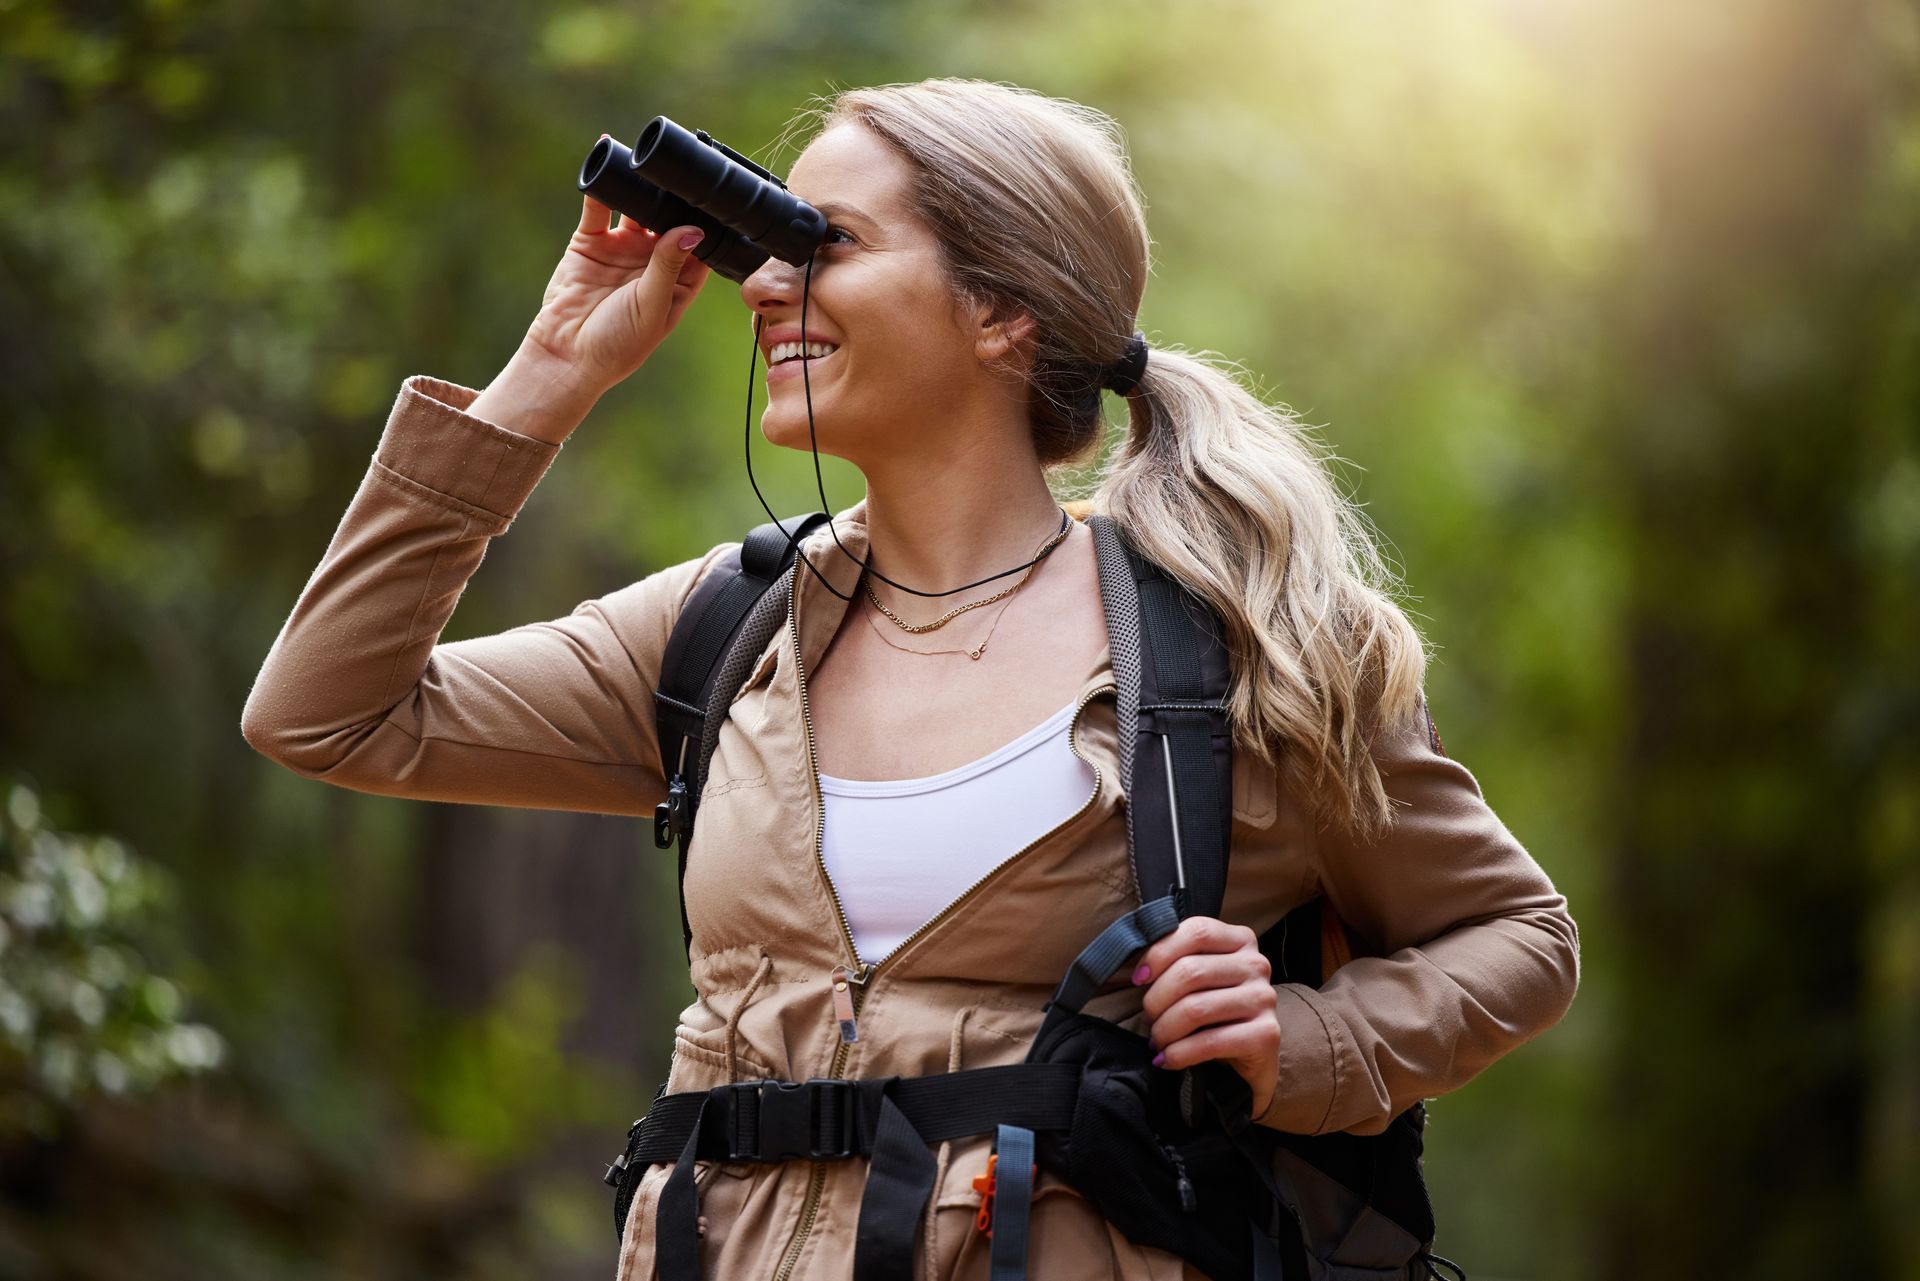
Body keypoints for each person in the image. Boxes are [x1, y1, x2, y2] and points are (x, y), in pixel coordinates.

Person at [241, 77, 1580, 1281]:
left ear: (1003, 313)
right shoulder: (725, 628)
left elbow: (1519, 939)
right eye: (765, 244)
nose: (764, 285)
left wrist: (1300, 1044)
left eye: (826, 246)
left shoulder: (1245, 648)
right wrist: (544, 376)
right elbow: (327, 709)